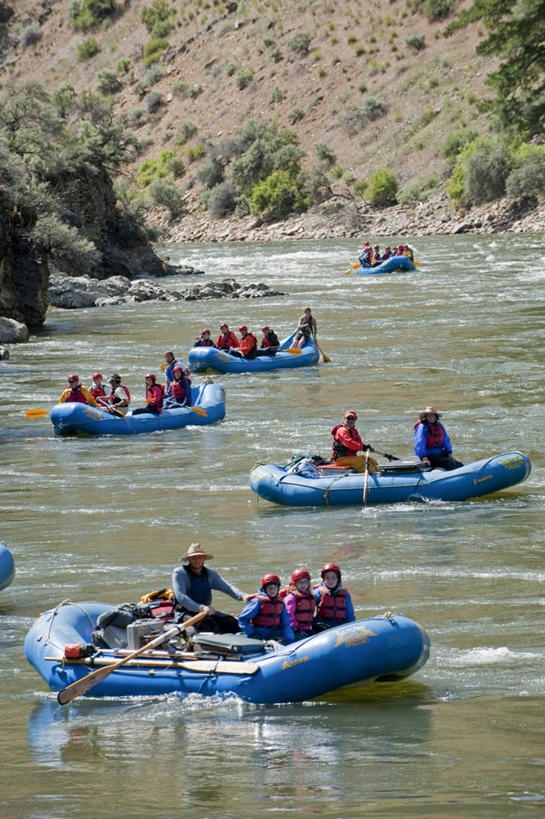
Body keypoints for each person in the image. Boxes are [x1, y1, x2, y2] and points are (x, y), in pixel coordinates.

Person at [172, 543, 249, 634]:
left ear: (204, 558)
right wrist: (200, 608)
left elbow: (228, 588)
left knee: (233, 623)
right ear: (188, 559)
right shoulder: (179, 573)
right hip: (185, 613)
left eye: (200, 557)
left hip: (206, 612)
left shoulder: (210, 574)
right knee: (210, 625)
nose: (197, 560)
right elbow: (181, 597)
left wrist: (243, 596)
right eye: (194, 558)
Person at [238, 573, 295, 644]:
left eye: (274, 588)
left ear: (278, 589)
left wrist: (290, 639)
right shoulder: (257, 602)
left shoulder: (280, 603)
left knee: (287, 640)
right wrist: (253, 634)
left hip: (275, 633)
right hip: (261, 634)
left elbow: (286, 623)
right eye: (270, 588)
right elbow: (242, 619)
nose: (272, 590)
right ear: (264, 589)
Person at [313, 563, 356, 632]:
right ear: (324, 579)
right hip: (322, 627)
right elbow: (307, 610)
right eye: (327, 578)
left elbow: (350, 616)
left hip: (339, 627)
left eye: (333, 577)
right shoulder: (318, 593)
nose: (330, 580)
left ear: (338, 578)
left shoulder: (345, 595)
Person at [280, 568, 315, 639]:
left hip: (306, 628)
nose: (303, 584)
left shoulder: (310, 595)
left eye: (305, 582)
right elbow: (289, 615)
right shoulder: (291, 597)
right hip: (294, 630)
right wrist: (296, 630)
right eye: (300, 582)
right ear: (295, 584)